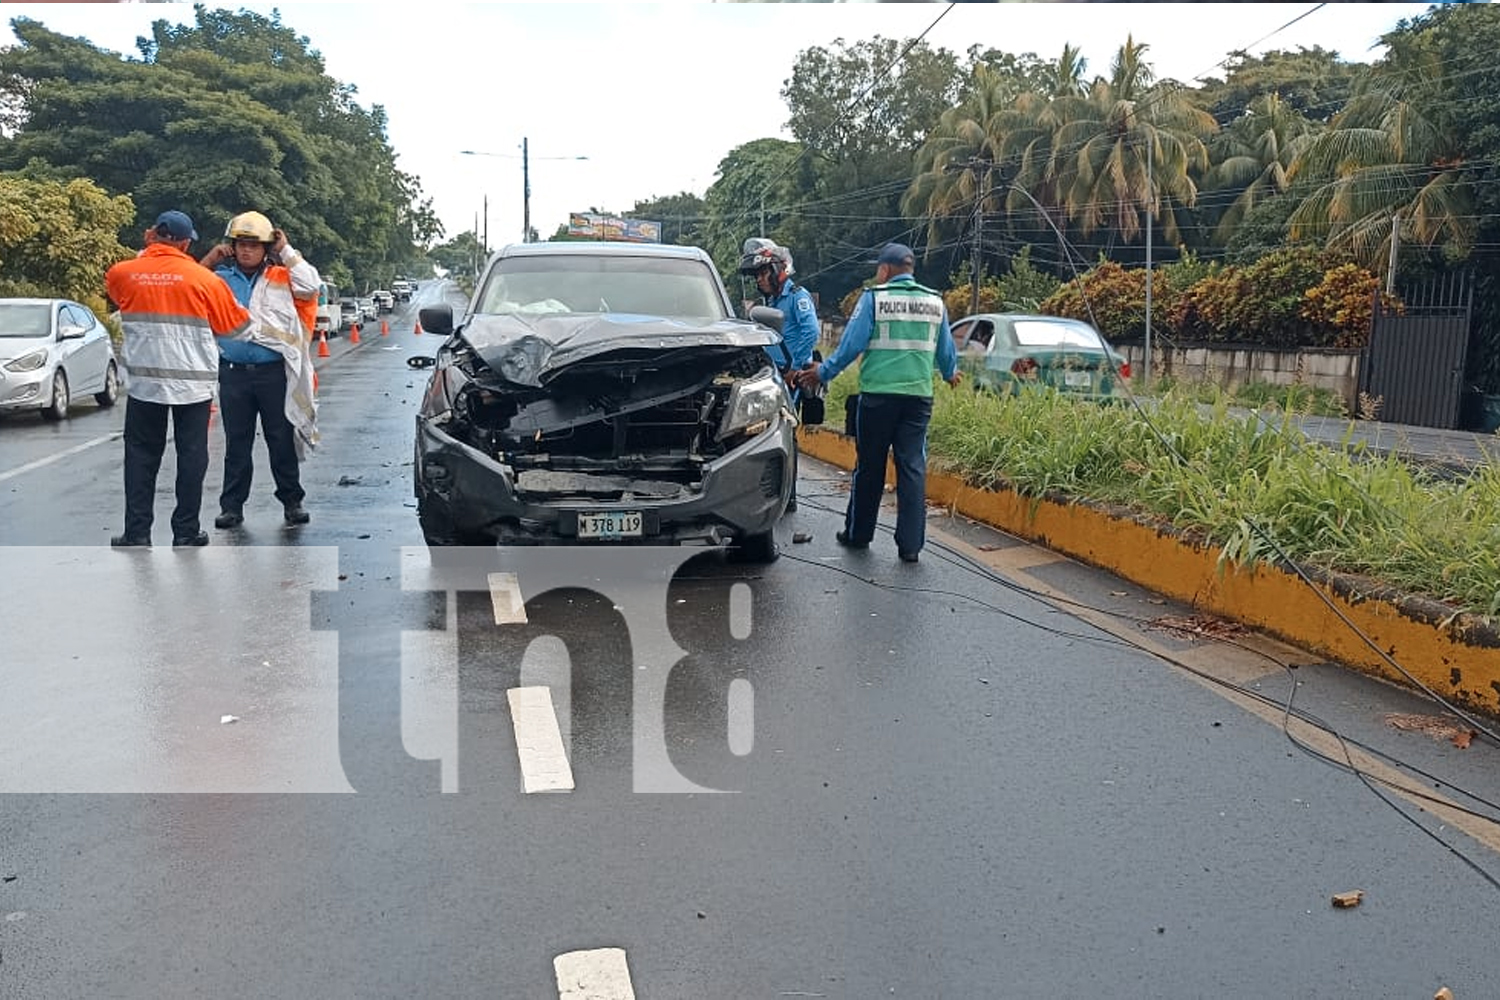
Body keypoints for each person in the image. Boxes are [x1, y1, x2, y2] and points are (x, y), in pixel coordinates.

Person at [795, 242, 961, 564]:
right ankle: (911, 546)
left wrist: (823, 372)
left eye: (878, 269)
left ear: (885, 270)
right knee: (912, 467)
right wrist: (950, 374)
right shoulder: (934, 302)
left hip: (878, 399)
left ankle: (859, 534)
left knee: (870, 467)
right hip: (918, 399)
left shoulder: (875, 298)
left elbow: (851, 345)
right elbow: (945, 351)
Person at [105, 210, 251, 547]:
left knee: (140, 456)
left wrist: (146, 254)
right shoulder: (205, 280)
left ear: (152, 235)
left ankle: (137, 532)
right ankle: (185, 531)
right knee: (192, 455)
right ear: (186, 243)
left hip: (145, 384)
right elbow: (239, 329)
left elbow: (120, 293)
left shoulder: (123, 272)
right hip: (193, 387)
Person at [197, 211, 321, 529]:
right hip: (234, 372)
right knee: (237, 443)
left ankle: (292, 502)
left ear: (266, 247)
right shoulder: (220, 279)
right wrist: (210, 259)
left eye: (254, 245)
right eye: (241, 244)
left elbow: (310, 285)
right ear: (233, 247)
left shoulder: (282, 276)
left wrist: (286, 250)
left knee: (280, 439)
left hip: (273, 374)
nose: (247, 251)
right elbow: (191, 286)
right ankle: (232, 507)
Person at [739, 237, 819, 511]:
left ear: (778, 271)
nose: (759, 279)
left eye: (763, 273)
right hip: (770, 374)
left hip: (789, 376)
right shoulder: (769, 302)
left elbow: (811, 332)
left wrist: (795, 367)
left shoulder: (798, 296)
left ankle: (789, 497)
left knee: (785, 434)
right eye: (757, 275)